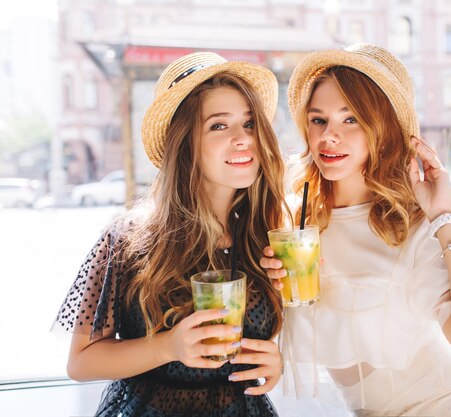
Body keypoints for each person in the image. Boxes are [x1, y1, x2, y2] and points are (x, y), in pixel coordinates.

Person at [261, 43, 451, 416]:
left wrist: (444, 216)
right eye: (319, 120)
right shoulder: (292, 223)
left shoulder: (406, 227)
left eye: (351, 120)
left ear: (381, 129)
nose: (330, 135)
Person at [53, 52, 288, 417]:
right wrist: (169, 347)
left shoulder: (266, 236)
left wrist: (273, 361)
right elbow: (81, 363)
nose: (243, 139)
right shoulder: (129, 237)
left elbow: (262, 338)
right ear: (186, 144)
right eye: (219, 126)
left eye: (249, 123)